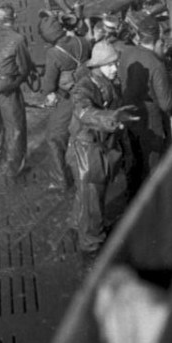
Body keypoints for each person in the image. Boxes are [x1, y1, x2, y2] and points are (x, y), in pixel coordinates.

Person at [67, 41, 138, 257]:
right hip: (87, 153)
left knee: (87, 196)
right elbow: (85, 113)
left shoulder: (106, 83)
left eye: (115, 63)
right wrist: (112, 118)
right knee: (93, 200)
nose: (115, 68)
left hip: (99, 149)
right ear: (97, 67)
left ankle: (76, 224)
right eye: (110, 65)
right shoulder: (83, 89)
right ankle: (90, 243)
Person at [118, 15, 172, 193]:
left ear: (139, 36)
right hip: (151, 123)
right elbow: (166, 105)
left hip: (128, 116)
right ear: (158, 39)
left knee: (134, 162)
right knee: (153, 166)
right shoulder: (155, 64)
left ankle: (132, 197)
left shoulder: (127, 52)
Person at [39, 11, 91, 190]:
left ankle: (60, 180)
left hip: (69, 98)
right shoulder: (81, 41)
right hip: (88, 91)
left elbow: (49, 84)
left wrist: (48, 93)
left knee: (54, 137)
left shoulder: (54, 53)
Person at [0, 3, 34, 176]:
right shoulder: (18, 39)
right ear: (15, 17)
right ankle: (14, 168)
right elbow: (24, 69)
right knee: (16, 127)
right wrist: (15, 84)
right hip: (6, 86)